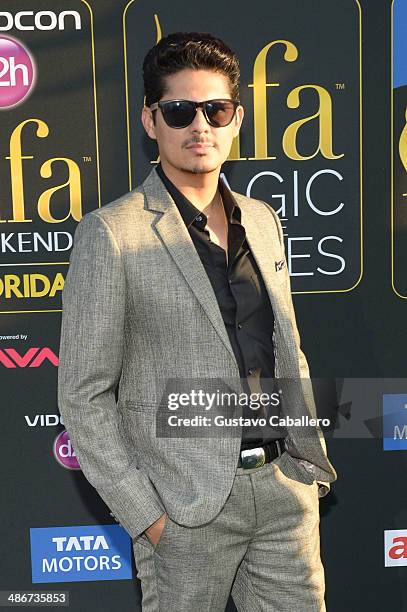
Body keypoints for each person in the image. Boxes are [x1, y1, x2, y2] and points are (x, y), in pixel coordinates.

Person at [58, 31, 337, 611]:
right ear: (150, 120)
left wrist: (305, 467)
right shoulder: (112, 233)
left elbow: (286, 348)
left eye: (217, 109)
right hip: (184, 508)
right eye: (181, 110)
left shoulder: (261, 221)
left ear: (236, 120)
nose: (200, 125)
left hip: (284, 491)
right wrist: (149, 518)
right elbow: (84, 395)